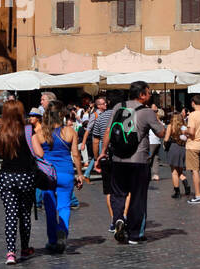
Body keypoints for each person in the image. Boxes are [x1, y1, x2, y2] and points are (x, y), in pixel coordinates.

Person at [98, 81, 165, 245]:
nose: (150, 96)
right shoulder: (147, 111)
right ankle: (135, 235)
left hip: (118, 159)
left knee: (118, 193)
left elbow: (108, 131)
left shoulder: (118, 107)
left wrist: (103, 152)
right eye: (148, 93)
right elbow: (161, 132)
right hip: (138, 160)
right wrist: (157, 119)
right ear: (141, 94)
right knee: (138, 197)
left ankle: (119, 218)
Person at [0, 98, 43, 264]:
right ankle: (25, 248)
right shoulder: (28, 130)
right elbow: (40, 153)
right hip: (26, 176)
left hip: (7, 177)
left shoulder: (0, 132)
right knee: (25, 214)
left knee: (10, 215)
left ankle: (11, 253)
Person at [36, 101, 83, 253]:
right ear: (61, 115)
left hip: (47, 174)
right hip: (66, 172)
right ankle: (62, 231)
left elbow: (38, 154)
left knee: (49, 208)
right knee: (64, 205)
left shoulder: (40, 132)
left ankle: (52, 240)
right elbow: (75, 154)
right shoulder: (70, 131)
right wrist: (80, 174)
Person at [163, 112, 189, 199]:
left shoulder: (171, 126)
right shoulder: (184, 126)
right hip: (182, 148)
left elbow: (166, 139)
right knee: (180, 171)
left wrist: (164, 145)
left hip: (173, 148)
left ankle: (177, 192)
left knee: (174, 172)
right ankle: (185, 183)